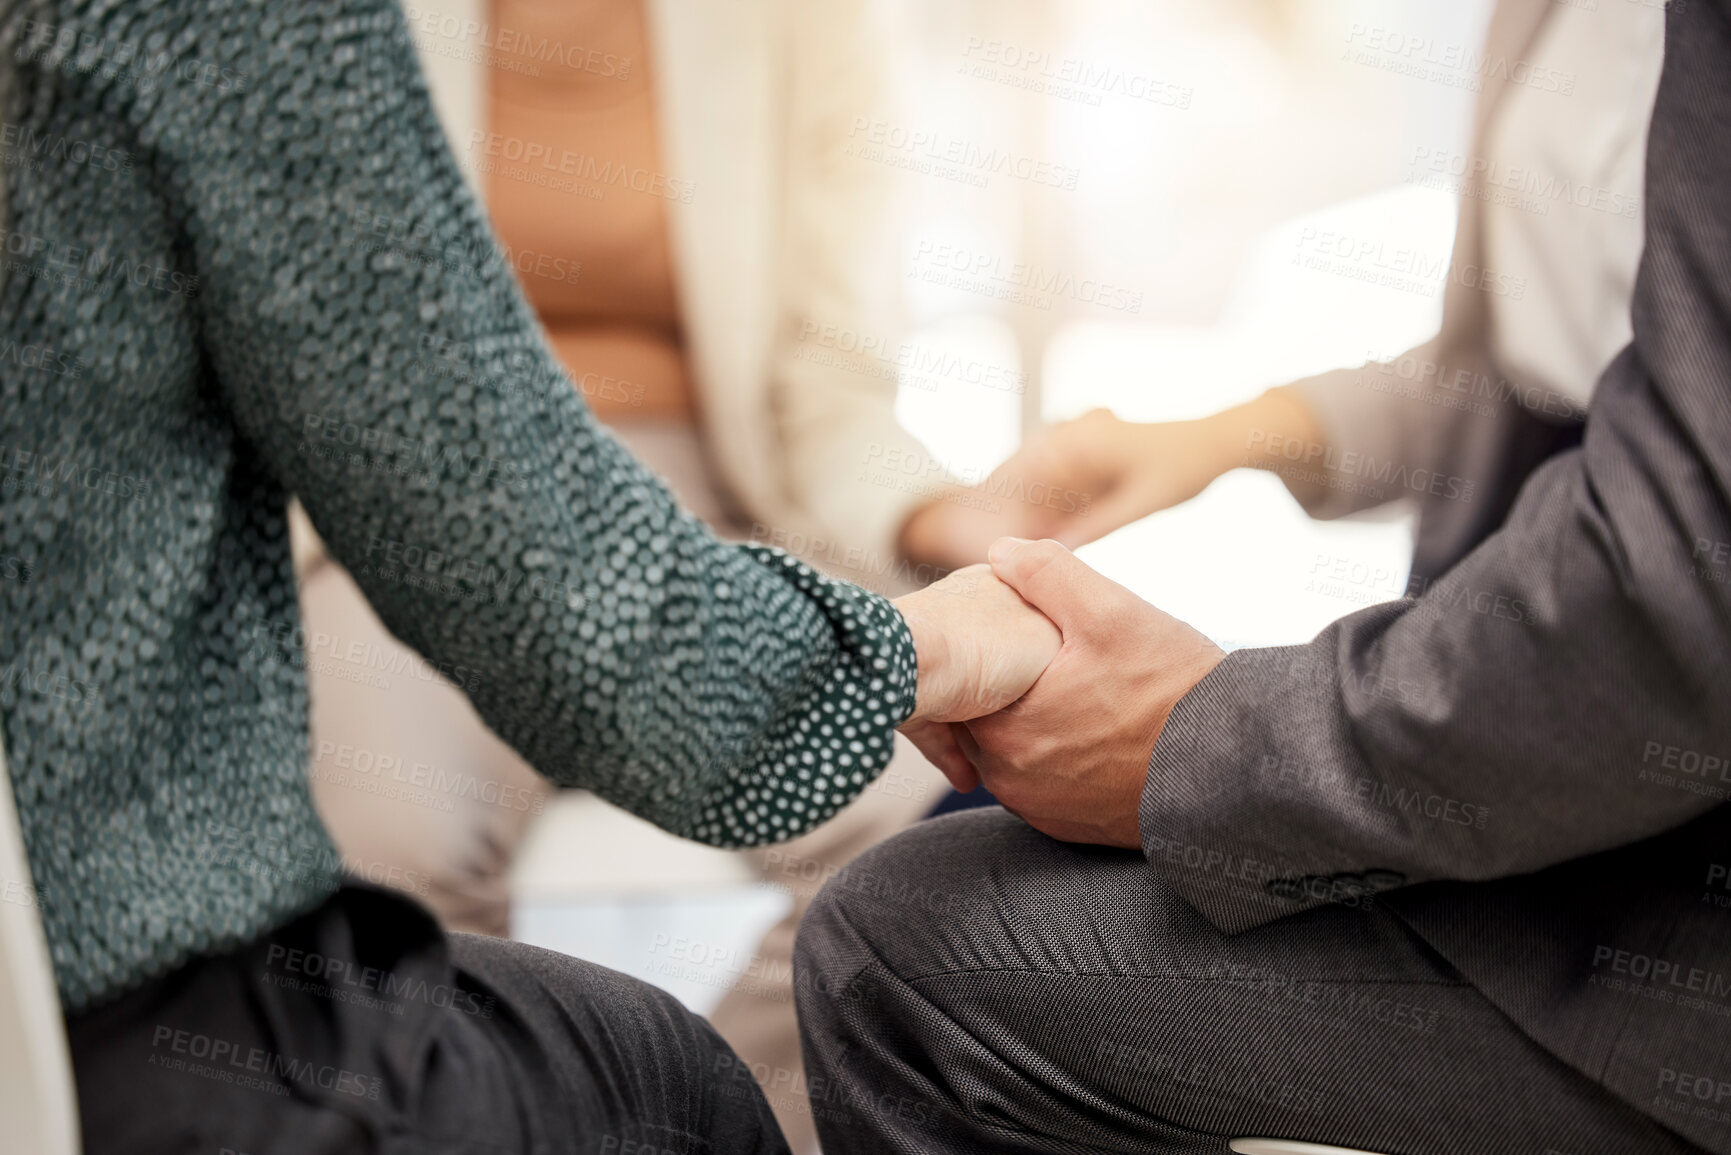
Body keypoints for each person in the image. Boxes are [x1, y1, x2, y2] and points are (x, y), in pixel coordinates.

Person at [0, 2, 1060, 1151]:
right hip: (416, 521)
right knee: (396, 848)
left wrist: (937, 514)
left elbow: (827, 385)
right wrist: (914, 653)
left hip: (720, 505)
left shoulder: (802, 23)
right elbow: (551, 587)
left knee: (920, 859)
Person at [795, 0, 1731, 1152]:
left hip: (1676, 911)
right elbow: (1558, 358)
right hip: (1550, 760)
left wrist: (1196, 736)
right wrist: (1226, 434)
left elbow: (1677, 589)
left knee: (909, 955)